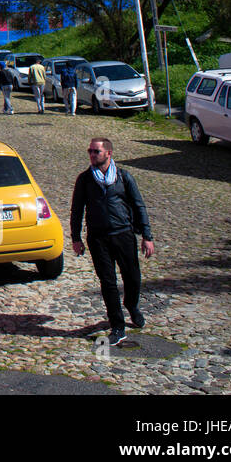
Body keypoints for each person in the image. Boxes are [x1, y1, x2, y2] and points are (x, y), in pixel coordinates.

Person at [70, 138, 156, 346]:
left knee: (133, 277)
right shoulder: (85, 180)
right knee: (108, 282)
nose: (91, 155)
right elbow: (77, 209)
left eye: (96, 151)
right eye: (90, 151)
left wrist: (147, 236)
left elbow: (139, 206)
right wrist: (76, 238)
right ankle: (118, 326)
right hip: (98, 238)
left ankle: (132, 305)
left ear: (108, 153)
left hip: (123, 234)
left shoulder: (124, 177)